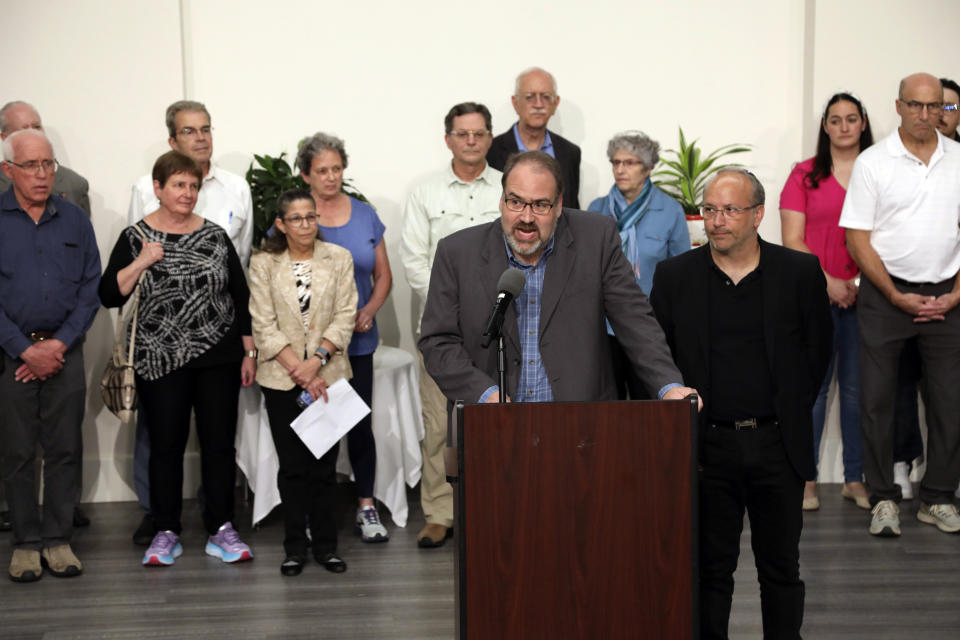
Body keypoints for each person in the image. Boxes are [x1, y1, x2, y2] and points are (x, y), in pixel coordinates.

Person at [650, 168, 832, 639]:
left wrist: (787, 413)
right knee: (710, 574)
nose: (717, 221)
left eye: (730, 210)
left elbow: (817, 355)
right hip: (707, 448)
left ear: (757, 214)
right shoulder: (675, 277)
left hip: (777, 445)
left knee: (781, 572)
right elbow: (657, 359)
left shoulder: (798, 273)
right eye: (710, 209)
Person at [419, 150, 697, 430]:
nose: (526, 217)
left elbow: (634, 319)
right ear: (501, 201)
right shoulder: (456, 252)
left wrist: (668, 385)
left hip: (579, 427)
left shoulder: (596, 238)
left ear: (559, 205)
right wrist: (482, 392)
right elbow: (437, 342)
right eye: (516, 202)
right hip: (492, 428)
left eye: (540, 205)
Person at [100, 151, 257, 566]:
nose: (187, 193)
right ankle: (165, 529)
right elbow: (108, 294)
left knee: (218, 444)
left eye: (193, 186)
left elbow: (240, 295)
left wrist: (249, 351)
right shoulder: (136, 237)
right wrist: (142, 261)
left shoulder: (215, 235)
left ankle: (221, 528)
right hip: (160, 358)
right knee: (164, 446)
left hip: (218, 357)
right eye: (178, 185)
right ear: (158, 189)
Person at [840, 72, 960, 537]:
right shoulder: (874, 162)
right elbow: (857, 238)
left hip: (948, 295)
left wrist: (954, 294)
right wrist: (892, 293)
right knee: (877, 401)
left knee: (950, 403)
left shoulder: (958, 159)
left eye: (937, 107)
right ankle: (883, 498)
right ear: (898, 106)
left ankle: (938, 497)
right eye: (916, 105)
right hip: (884, 295)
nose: (926, 115)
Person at [401, 102, 503, 548]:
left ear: (489, 138)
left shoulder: (505, 187)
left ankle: (493, 506)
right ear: (448, 139)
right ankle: (440, 513)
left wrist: (482, 308)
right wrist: (455, 306)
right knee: (439, 423)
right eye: (462, 134)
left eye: (479, 134)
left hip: (500, 325)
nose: (471, 141)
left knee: (496, 418)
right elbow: (413, 260)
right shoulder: (424, 191)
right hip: (439, 326)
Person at [0, 129, 100, 582]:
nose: (41, 175)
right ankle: (24, 543)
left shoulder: (75, 219)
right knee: (18, 451)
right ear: (8, 171)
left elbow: (90, 287)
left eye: (47, 164)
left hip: (65, 352)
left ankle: (58, 540)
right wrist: (23, 349)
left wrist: (58, 345)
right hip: (10, 355)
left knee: (65, 449)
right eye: (30, 166)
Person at [248, 189, 358, 576]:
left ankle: (327, 547)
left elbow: (346, 316)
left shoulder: (338, 259)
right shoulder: (263, 264)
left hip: (327, 375)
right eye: (296, 218)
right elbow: (263, 325)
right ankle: (295, 547)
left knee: (325, 468)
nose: (306, 225)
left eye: (311, 217)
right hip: (282, 379)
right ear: (281, 224)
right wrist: (300, 369)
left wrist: (317, 363)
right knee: (292, 468)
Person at [779, 92, 873, 511]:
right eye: (835, 120)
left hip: (869, 295)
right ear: (825, 127)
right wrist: (830, 281)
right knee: (813, 393)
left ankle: (855, 478)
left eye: (851, 119)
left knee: (857, 393)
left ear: (864, 123)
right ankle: (808, 479)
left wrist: (855, 281)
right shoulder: (804, 175)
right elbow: (792, 240)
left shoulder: (880, 170)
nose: (843, 127)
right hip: (814, 298)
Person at [297, 133, 392, 543]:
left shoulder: (366, 214)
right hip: (314, 349)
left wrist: (370, 309)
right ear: (306, 175)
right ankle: (315, 513)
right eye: (322, 170)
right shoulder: (298, 215)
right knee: (318, 426)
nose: (331, 177)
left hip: (359, 342)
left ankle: (366, 507)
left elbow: (383, 274)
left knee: (359, 425)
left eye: (337, 168)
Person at [587, 130, 689, 399]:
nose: (620, 170)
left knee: (650, 403)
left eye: (629, 163)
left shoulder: (669, 210)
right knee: (607, 404)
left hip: (649, 325)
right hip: (604, 327)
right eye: (615, 162)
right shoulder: (596, 210)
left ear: (648, 168)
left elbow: (681, 275)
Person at [487, 68, 582, 208]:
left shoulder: (570, 152)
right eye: (530, 96)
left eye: (545, 97)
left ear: (555, 104)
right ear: (515, 103)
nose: (538, 104)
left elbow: (572, 210)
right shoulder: (491, 150)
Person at [0, 102, 90, 214]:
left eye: (37, 127)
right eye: (24, 130)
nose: (33, 133)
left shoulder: (74, 184)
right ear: (5, 137)